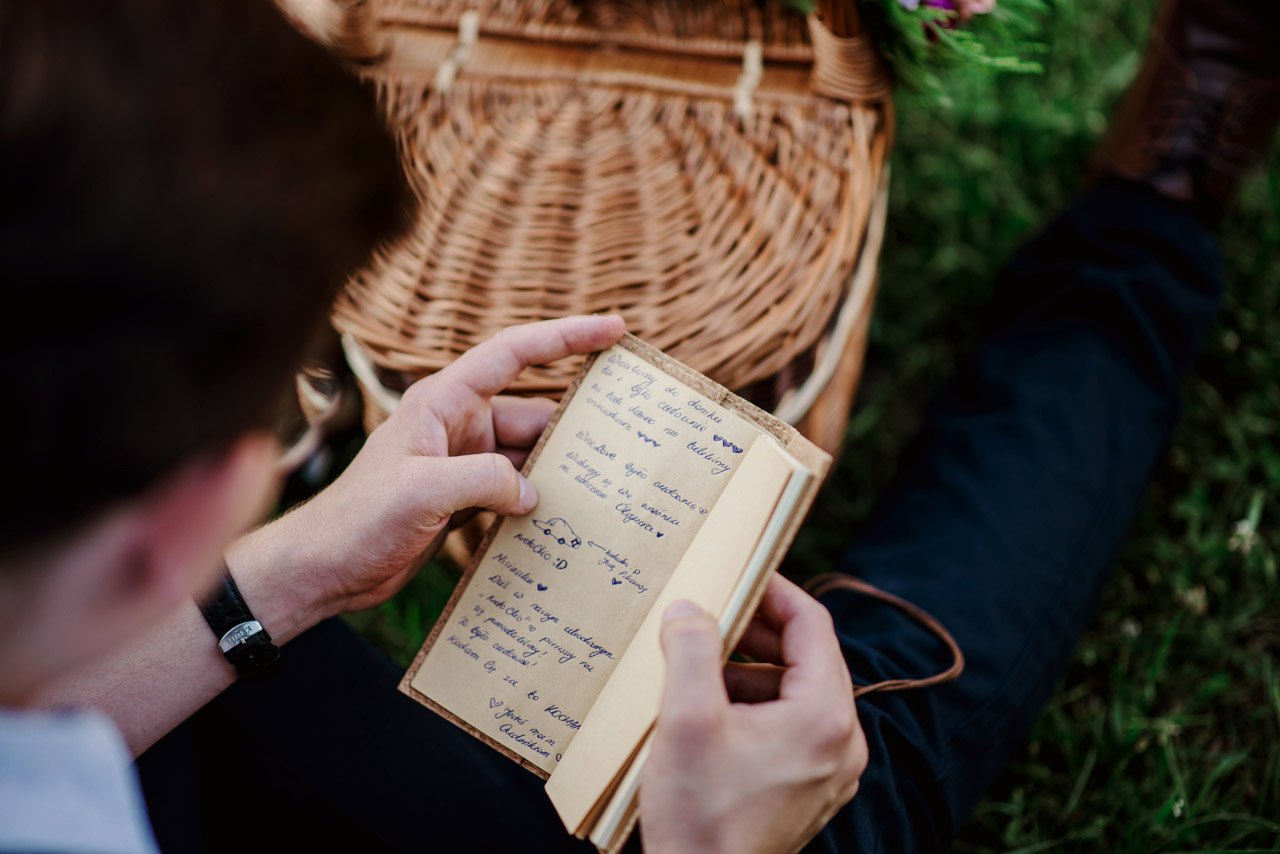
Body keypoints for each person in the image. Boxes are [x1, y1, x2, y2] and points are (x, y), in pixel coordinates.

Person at [0, 3, 1275, 854]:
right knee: (881, 750)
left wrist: (283, 576)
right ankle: (1147, 224)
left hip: (167, 722)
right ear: (162, 531)